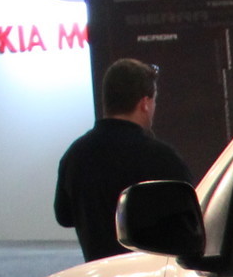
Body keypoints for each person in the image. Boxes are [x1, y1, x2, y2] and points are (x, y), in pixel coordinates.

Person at [54, 59, 190, 262]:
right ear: (144, 104)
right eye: (154, 101)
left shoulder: (74, 155)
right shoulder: (162, 158)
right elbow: (190, 226)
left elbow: (64, 217)